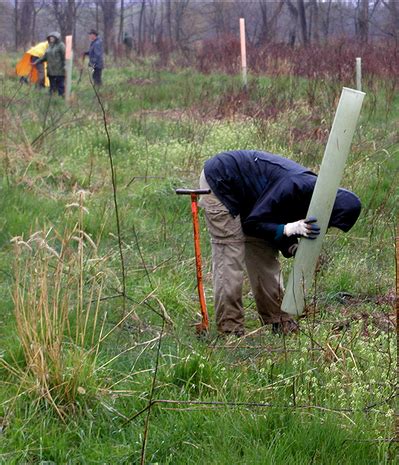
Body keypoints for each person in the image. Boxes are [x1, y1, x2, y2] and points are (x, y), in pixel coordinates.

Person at [198, 150, 361, 337]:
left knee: (264, 255)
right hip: (223, 180)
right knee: (230, 256)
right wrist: (287, 230)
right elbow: (256, 223)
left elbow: (275, 216)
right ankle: (230, 330)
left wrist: (292, 245)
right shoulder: (295, 187)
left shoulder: (316, 198)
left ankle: (278, 321)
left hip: (253, 201)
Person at [34, 32, 65, 96]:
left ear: (56, 38)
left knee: (60, 85)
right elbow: (45, 57)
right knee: (52, 85)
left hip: (59, 70)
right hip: (50, 70)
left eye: (52, 37)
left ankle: (61, 97)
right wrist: (36, 62)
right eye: (50, 38)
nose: (51, 39)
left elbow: (65, 57)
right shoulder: (49, 46)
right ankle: (51, 96)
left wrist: (65, 67)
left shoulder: (61, 45)